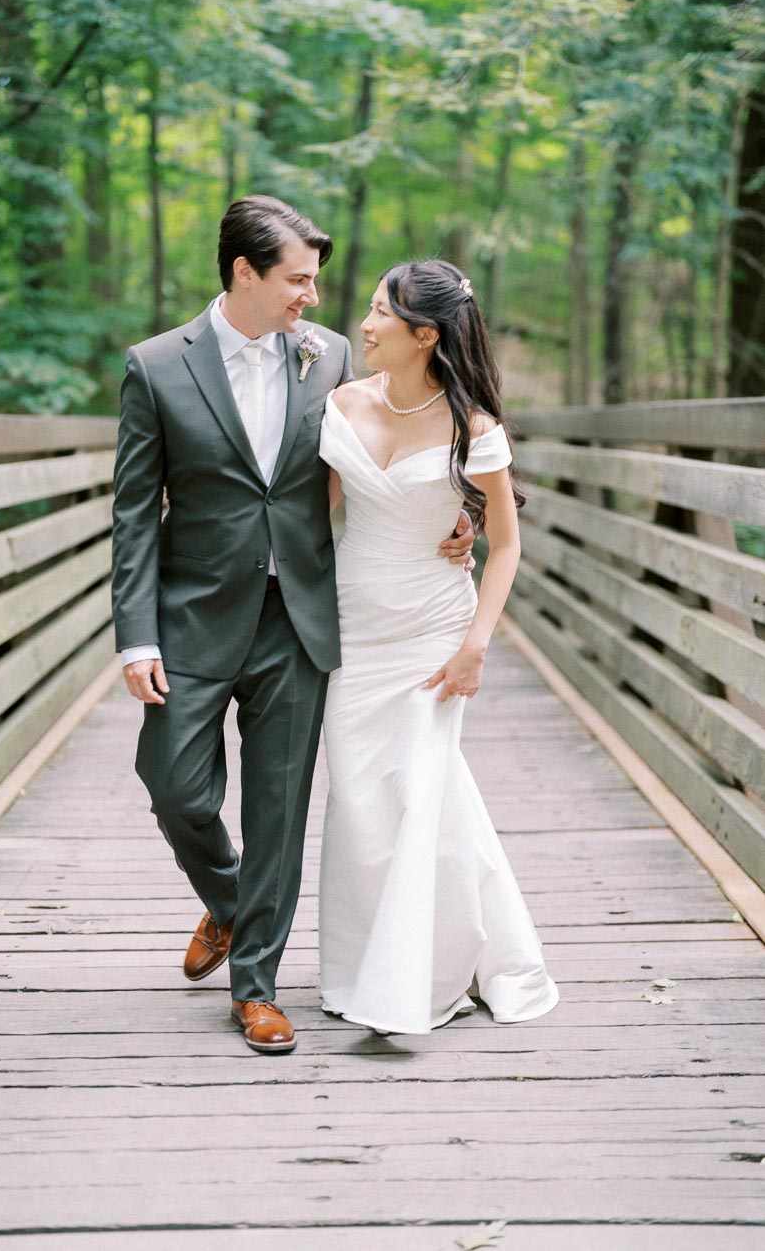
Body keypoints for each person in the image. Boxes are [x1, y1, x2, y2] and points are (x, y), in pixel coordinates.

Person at [110, 197, 474, 1054]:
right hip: (192, 614)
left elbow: (412, 430)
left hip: (302, 614)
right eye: (298, 280)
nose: (314, 297)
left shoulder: (334, 357)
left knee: (279, 804)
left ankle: (258, 989)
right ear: (245, 273)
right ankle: (232, 903)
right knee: (176, 787)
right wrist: (136, 634)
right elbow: (132, 514)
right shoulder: (157, 367)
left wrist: (455, 518)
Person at [318, 259, 559, 1035]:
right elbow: (310, 515)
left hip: (432, 630)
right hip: (353, 628)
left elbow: (507, 545)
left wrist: (476, 647)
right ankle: (363, 965)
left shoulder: (474, 429)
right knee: (360, 800)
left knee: (419, 793)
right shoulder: (341, 402)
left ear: (425, 335)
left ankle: (411, 983)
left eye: (381, 312)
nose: (365, 323)